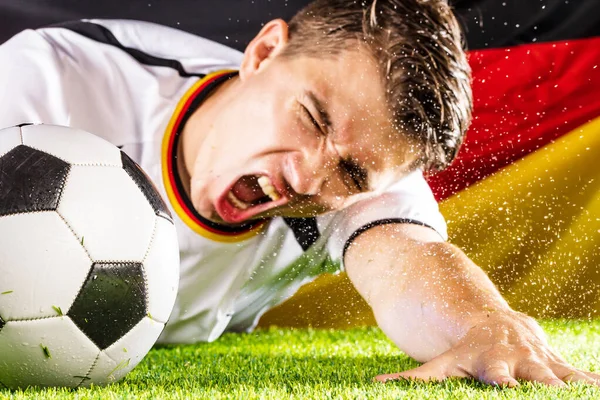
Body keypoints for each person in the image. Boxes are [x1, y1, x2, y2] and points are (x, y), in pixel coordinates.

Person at [0, 0, 597, 387]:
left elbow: (407, 261)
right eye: (312, 118)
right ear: (262, 54)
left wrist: (484, 324)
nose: (309, 179)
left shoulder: (372, 168)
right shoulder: (48, 84)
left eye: (351, 174)